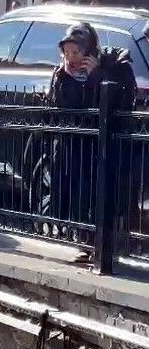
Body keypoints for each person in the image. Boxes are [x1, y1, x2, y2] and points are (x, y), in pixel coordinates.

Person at [28, 23, 136, 262]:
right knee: (73, 196)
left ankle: (103, 248)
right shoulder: (62, 73)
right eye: (66, 53)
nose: (71, 58)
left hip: (100, 146)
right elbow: (58, 108)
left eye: (76, 53)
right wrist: (63, 77)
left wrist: (97, 76)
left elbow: (121, 100)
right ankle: (85, 242)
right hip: (72, 146)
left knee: (99, 196)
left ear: (88, 49)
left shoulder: (111, 65)